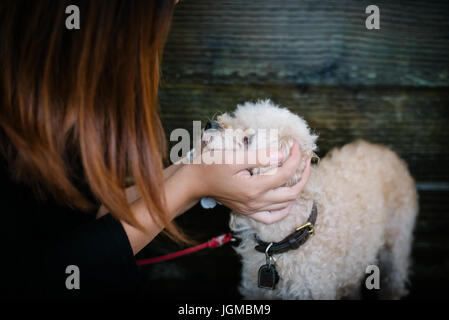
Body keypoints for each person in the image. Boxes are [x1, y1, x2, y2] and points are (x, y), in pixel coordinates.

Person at [0, 1, 310, 299]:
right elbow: (41, 277)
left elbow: (80, 220)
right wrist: (192, 184)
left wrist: (194, 170)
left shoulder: (57, 86)